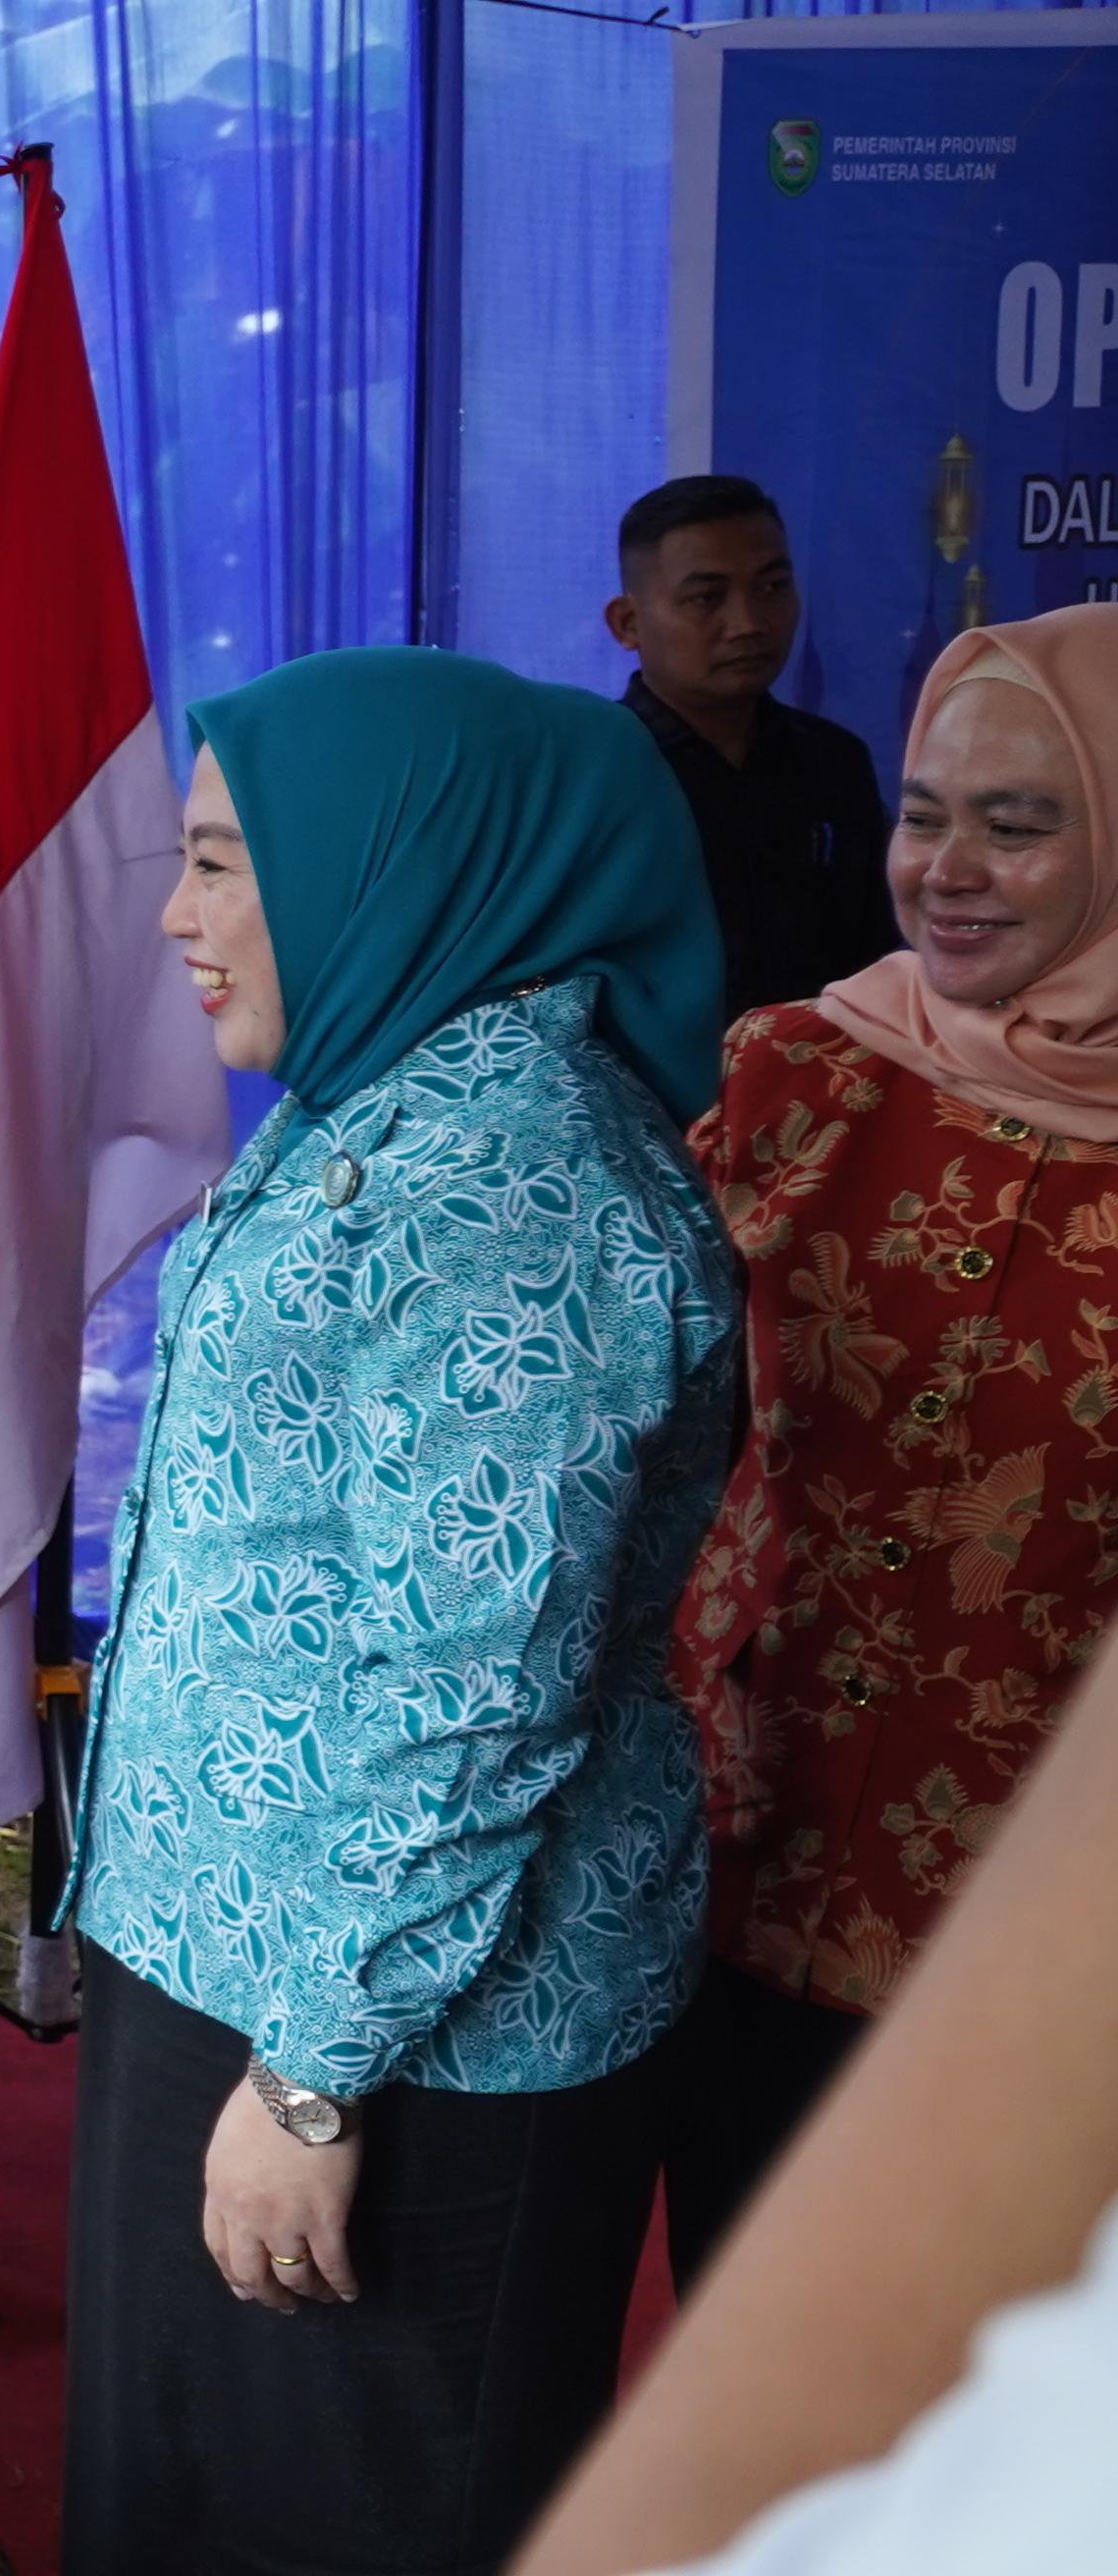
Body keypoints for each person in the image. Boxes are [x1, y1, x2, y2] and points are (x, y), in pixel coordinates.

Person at [57, 648, 738, 2575]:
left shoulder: (520, 1184)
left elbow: (473, 1692)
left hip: (410, 2029)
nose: (176, 914)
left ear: (386, 853)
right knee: (188, 2494)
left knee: (349, 2512)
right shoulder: (396, 1085)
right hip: (247, 1943)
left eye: (218, 861)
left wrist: (312, 2071)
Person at [659, 601, 1118, 2284]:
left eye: (1021, 821)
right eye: (925, 815)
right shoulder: (798, 1074)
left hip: (1047, 1916)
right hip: (753, 1847)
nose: (949, 870)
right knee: (746, 2311)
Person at [515, 1633, 1118, 2576]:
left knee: (938, 2361)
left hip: (981, 1922)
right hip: (751, 1869)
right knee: (715, 2270)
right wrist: (702, 1687)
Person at [608, 474, 898, 1016]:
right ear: (628, 623)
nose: (748, 624)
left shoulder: (834, 762)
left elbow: (876, 958)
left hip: (826, 1061)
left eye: (772, 587)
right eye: (707, 598)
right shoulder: (593, 776)